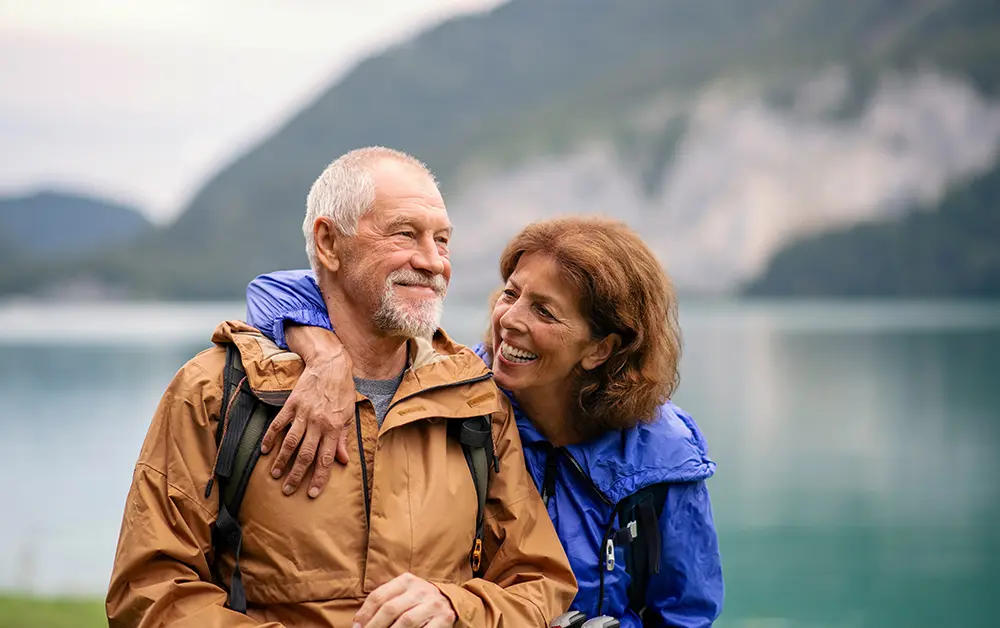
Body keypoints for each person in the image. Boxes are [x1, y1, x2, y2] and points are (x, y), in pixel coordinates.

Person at [106, 147, 577, 628]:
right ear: (329, 243)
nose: (434, 262)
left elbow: (539, 582)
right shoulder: (216, 390)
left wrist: (458, 608)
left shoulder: (475, 398)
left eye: (442, 240)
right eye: (405, 234)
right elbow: (149, 592)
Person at [245, 216, 724, 627]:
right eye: (511, 293)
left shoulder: (663, 456)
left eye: (544, 311)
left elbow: (685, 613)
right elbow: (270, 289)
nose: (509, 319)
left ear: (602, 348)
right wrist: (323, 351)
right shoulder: (457, 395)